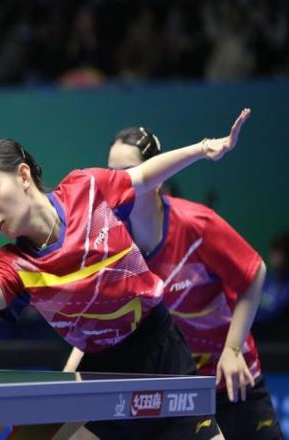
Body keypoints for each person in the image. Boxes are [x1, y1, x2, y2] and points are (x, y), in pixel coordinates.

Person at [0, 109, 251, 439]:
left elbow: (143, 176)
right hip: (104, 371)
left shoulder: (86, 189)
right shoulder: (17, 265)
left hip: (161, 351)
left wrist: (203, 149)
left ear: (23, 175)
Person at [66, 122, 282, 439]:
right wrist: (66, 378)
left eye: (127, 172)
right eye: (111, 173)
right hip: (175, 385)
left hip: (231, 377)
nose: (118, 182)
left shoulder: (197, 226)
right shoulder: (114, 238)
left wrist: (233, 349)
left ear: (158, 174)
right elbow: (99, 317)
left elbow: (254, 272)